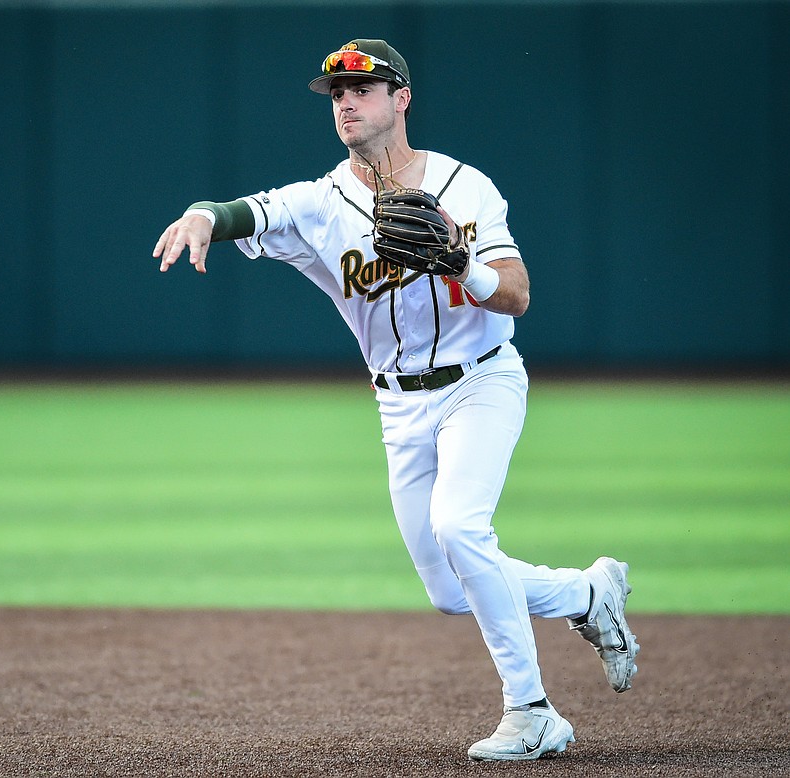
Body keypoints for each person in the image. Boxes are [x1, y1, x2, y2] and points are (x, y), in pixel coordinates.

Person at [152, 38, 640, 761]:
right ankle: (587, 596)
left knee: (460, 528)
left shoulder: (464, 186)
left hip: (482, 379)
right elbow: (239, 212)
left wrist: (461, 263)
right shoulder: (319, 203)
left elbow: (518, 294)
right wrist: (200, 217)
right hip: (399, 406)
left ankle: (532, 712)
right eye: (336, 94)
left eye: (364, 89)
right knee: (450, 589)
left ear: (401, 99)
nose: (346, 102)